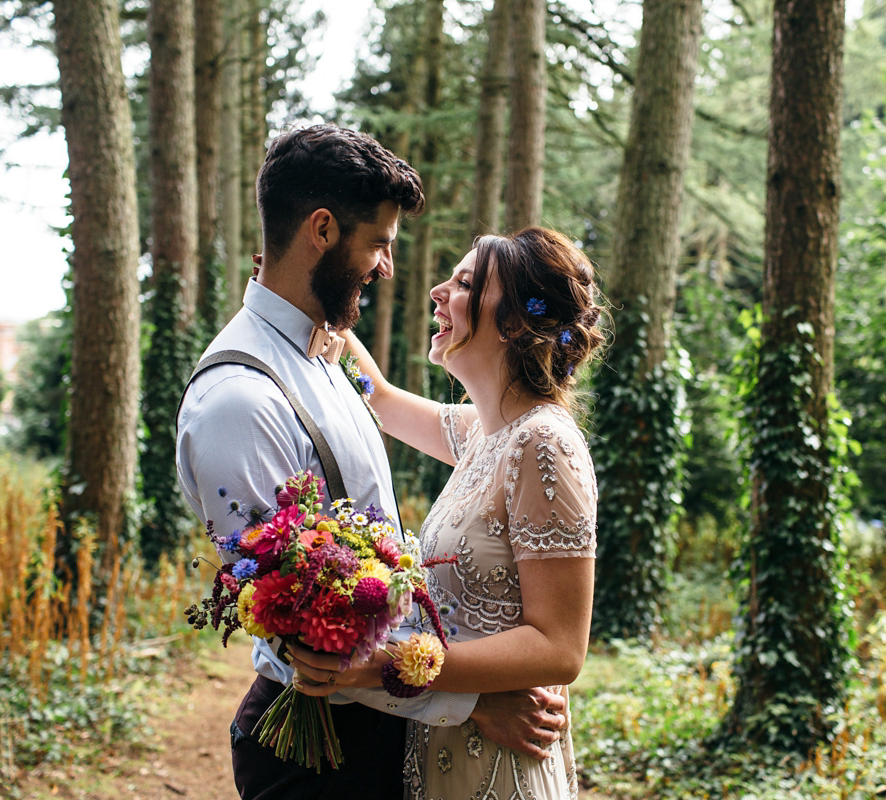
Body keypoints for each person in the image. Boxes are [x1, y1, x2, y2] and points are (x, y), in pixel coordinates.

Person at [175, 125, 568, 800]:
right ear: (322, 230)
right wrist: (471, 703)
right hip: (318, 754)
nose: (388, 267)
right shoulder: (240, 401)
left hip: (383, 732)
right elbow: (294, 628)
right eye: (380, 243)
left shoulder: (323, 355)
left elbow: (386, 408)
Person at [288, 226, 606, 800]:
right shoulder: (486, 434)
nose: (437, 291)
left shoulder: (544, 446)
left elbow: (560, 647)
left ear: (512, 323)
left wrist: (390, 661)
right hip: (438, 748)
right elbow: (377, 398)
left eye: (462, 283)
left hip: (502, 769)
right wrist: (309, 295)